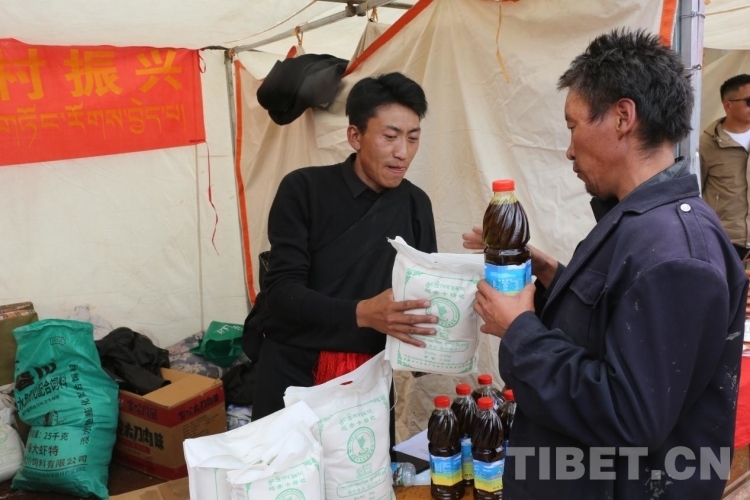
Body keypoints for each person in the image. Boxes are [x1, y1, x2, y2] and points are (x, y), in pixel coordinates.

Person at [463, 29, 747, 499]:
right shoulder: (642, 223)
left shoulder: (676, 252)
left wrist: (521, 332)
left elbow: (629, 415)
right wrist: (552, 278)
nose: (569, 149)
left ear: (622, 117)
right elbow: (616, 327)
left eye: (573, 126)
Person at [245, 72, 438, 422]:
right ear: (355, 136)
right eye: (390, 137)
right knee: (288, 459)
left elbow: (423, 295)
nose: (402, 152)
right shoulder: (304, 189)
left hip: (368, 378)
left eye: (413, 138)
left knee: (367, 460)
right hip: (293, 369)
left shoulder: (415, 204)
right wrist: (362, 313)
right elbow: (282, 292)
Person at [700, 74, 750, 263]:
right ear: (728, 105)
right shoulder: (706, 145)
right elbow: (694, 192)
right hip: (723, 242)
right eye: (749, 101)